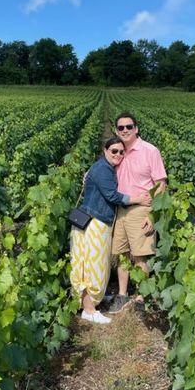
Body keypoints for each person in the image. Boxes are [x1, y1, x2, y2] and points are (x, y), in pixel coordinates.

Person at [70, 137, 151, 324]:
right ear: (105, 151)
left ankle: (94, 299)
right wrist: (139, 199)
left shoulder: (104, 167)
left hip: (98, 221)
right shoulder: (102, 169)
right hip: (93, 222)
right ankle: (89, 309)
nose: (118, 155)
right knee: (89, 265)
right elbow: (112, 195)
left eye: (121, 152)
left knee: (98, 263)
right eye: (114, 151)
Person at [108, 113, 167, 314]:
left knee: (141, 256)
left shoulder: (150, 151)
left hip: (142, 210)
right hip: (121, 210)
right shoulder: (118, 152)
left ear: (136, 128)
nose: (125, 130)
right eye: (121, 127)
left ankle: (142, 297)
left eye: (129, 126)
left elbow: (160, 184)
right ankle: (122, 295)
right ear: (116, 131)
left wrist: (153, 215)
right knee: (122, 255)